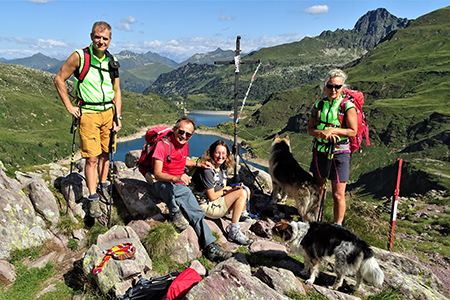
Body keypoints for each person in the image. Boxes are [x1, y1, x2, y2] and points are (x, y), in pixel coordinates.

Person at [54, 21, 122, 218]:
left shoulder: (112, 60)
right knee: (91, 158)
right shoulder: (79, 57)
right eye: (97, 37)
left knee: (105, 153)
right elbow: (59, 78)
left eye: (105, 38)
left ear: (110, 40)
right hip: (89, 114)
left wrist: (117, 116)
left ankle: (104, 186)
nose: (101, 41)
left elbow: (117, 90)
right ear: (92, 37)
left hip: (108, 112)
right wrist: (69, 106)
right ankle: (92, 198)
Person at [147, 116, 232, 261]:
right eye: (181, 132)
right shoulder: (163, 145)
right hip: (161, 183)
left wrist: (199, 165)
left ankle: (211, 246)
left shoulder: (184, 145)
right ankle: (174, 212)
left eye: (188, 134)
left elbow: (182, 159)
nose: (184, 136)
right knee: (165, 186)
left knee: (196, 213)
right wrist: (176, 178)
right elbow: (157, 173)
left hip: (179, 185)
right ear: (174, 130)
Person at [307, 69, 357, 225]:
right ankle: (315, 221)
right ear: (324, 87)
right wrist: (321, 134)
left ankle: (337, 226)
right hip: (320, 152)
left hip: (340, 153)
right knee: (318, 190)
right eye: (330, 86)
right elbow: (310, 129)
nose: (333, 89)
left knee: (338, 194)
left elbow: (353, 131)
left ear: (342, 87)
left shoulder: (347, 106)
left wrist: (333, 131)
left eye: (337, 86)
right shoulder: (318, 105)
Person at [193, 140, 253, 245]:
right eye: (217, 153)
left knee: (245, 189)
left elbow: (220, 189)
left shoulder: (222, 168)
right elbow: (211, 196)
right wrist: (227, 190)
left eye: (223, 153)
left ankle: (241, 215)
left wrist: (232, 189)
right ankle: (234, 231)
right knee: (242, 193)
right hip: (206, 205)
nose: (221, 156)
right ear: (211, 153)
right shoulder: (208, 171)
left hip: (216, 199)